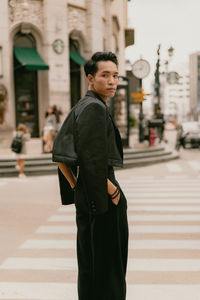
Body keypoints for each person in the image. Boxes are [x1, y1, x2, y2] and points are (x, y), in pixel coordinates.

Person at [52, 51, 129, 300]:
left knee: (91, 269)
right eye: (105, 75)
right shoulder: (95, 108)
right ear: (90, 78)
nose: (112, 81)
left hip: (91, 196)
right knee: (109, 273)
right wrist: (112, 191)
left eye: (115, 75)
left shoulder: (83, 106)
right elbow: (91, 161)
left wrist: (77, 186)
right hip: (102, 200)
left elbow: (60, 153)